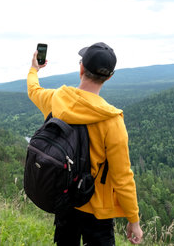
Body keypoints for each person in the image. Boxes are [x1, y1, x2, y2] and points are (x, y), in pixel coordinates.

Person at [27, 42, 143, 245]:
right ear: (109, 76)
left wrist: (34, 69)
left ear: (81, 69)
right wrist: (133, 220)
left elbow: (34, 90)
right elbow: (122, 177)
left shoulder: (57, 99)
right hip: (98, 210)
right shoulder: (112, 121)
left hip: (65, 199)